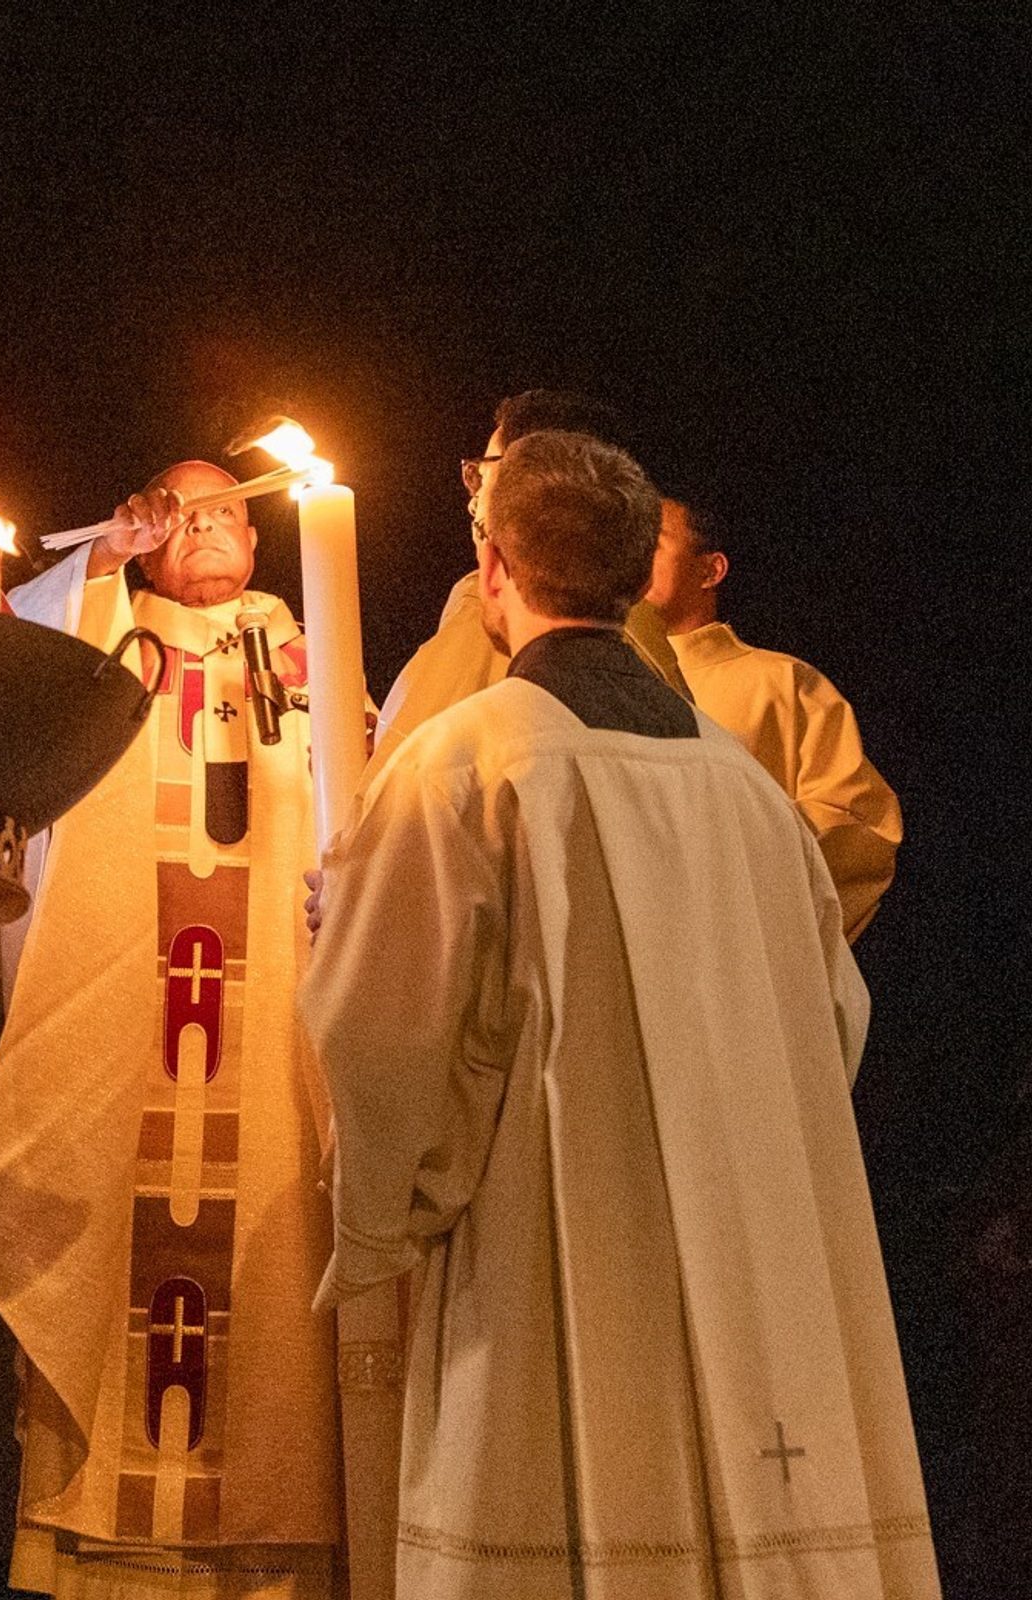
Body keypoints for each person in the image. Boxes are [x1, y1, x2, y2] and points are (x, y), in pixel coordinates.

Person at [299, 431, 940, 1599]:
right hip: (760, 1248)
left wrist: (394, 1208)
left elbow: (383, 1032)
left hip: (548, 1243)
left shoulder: (464, 764)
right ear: (641, 564)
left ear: (493, 567)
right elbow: (833, 1024)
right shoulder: (745, 788)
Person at [0, 463, 342, 1597]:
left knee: (274, 1268)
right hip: (129, 1010)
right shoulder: (104, 632)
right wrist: (104, 561)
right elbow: (12, 661)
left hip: (271, 1024)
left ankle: (270, 1539)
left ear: (264, 545)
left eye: (231, 507)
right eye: (183, 507)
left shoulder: (311, 657)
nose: (211, 522)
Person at [368, 388, 688, 780]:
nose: (473, 503)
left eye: (483, 476)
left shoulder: (497, 619)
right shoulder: (713, 751)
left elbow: (410, 799)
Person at [645, 495, 902, 940]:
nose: (633, 555)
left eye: (655, 541)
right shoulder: (600, 679)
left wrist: (726, 852)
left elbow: (863, 829)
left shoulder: (783, 682)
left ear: (710, 570)